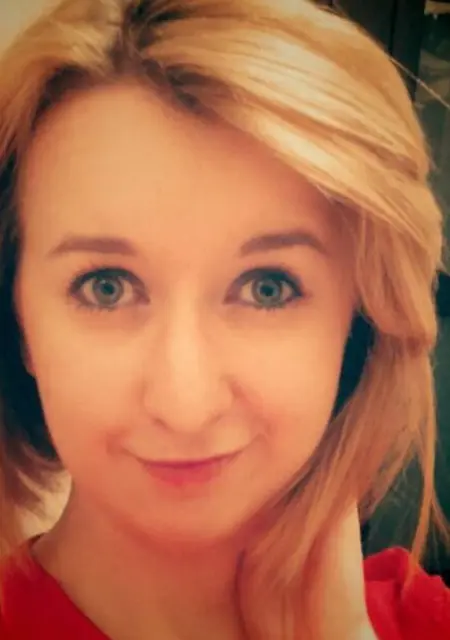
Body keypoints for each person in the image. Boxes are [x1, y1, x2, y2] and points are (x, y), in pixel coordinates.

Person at [0, 0, 449, 638]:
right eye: (106, 287)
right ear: (18, 320)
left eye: (267, 288)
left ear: (359, 326)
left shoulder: (419, 618)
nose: (186, 406)